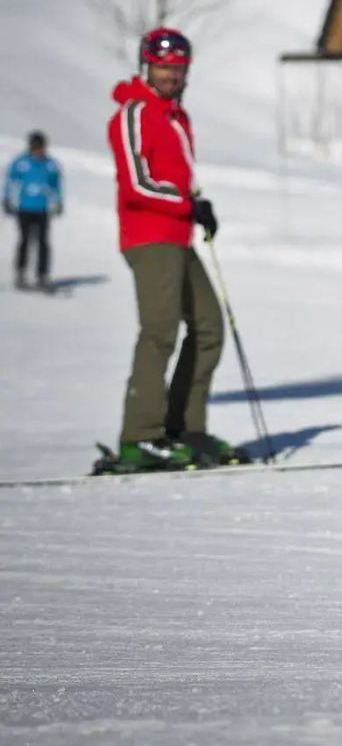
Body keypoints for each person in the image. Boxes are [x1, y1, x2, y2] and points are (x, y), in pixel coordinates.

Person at [103, 27, 237, 472]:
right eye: (162, 67)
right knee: (160, 331)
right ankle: (139, 436)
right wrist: (187, 203)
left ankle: (184, 428)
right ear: (147, 66)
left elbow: (177, 176)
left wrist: (199, 205)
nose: (170, 75)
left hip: (178, 235)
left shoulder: (177, 117)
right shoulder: (134, 112)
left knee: (209, 327)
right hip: (148, 236)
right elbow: (136, 182)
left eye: (177, 68)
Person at [5, 130, 61, 290]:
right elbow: (10, 180)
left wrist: (58, 202)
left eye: (40, 147)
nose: (38, 151)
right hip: (25, 208)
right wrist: (7, 198)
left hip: (42, 209)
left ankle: (42, 275)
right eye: (35, 147)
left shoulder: (50, 164)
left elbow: (56, 185)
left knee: (43, 242)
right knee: (25, 241)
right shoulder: (21, 163)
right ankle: (21, 273)